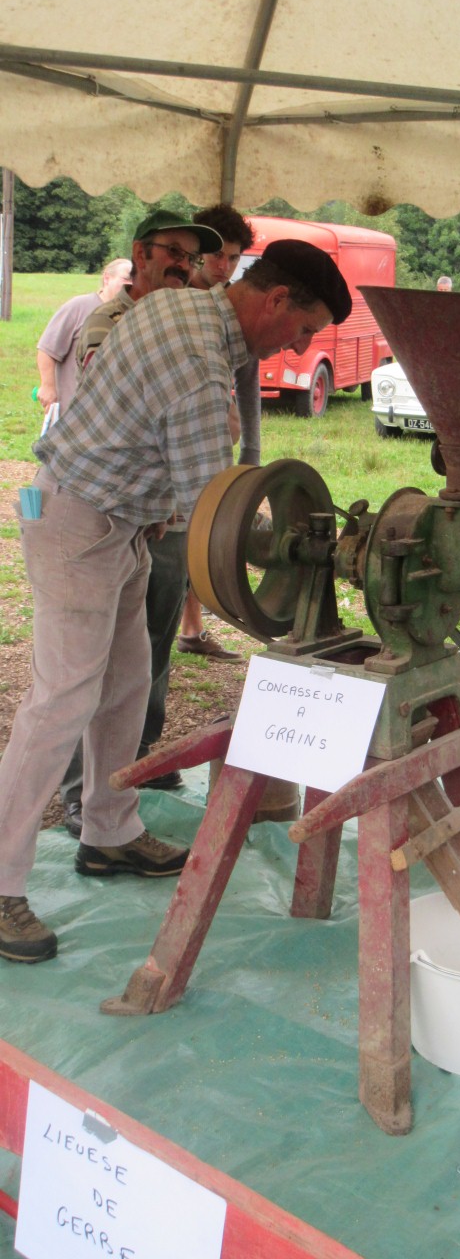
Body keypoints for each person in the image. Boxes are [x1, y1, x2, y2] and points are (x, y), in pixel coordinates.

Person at [0, 238, 351, 965]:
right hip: (75, 521)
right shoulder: (198, 361)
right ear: (275, 299)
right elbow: (216, 510)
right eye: (304, 328)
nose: (299, 346)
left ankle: (108, 832)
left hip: (121, 520)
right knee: (61, 699)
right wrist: (298, 545)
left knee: (128, 681)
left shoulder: (187, 308)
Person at [58, 209, 226, 835]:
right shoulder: (111, 322)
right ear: (141, 254)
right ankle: (80, 791)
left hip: (172, 516)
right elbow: (140, 410)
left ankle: (136, 765)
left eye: (193, 257)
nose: (185, 265)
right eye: (173, 252)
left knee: (150, 652)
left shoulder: (194, 325)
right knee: (96, 664)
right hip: (118, 514)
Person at [174, 203, 259, 663]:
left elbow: (249, 381)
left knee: (197, 530)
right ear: (198, 252)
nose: (224, 266)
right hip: (173, 438)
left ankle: (191, 627)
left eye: (233, 258)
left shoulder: (235, 309)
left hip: (213, 438)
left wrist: (252, 454)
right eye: (217, 255)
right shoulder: (171, 298)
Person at [35, 258, 131, 419]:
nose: (131, 284)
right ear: (107, 278)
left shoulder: (133, 315)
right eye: (126, 279)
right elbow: (47, 349)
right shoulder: (78, 307)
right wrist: (47, 386)